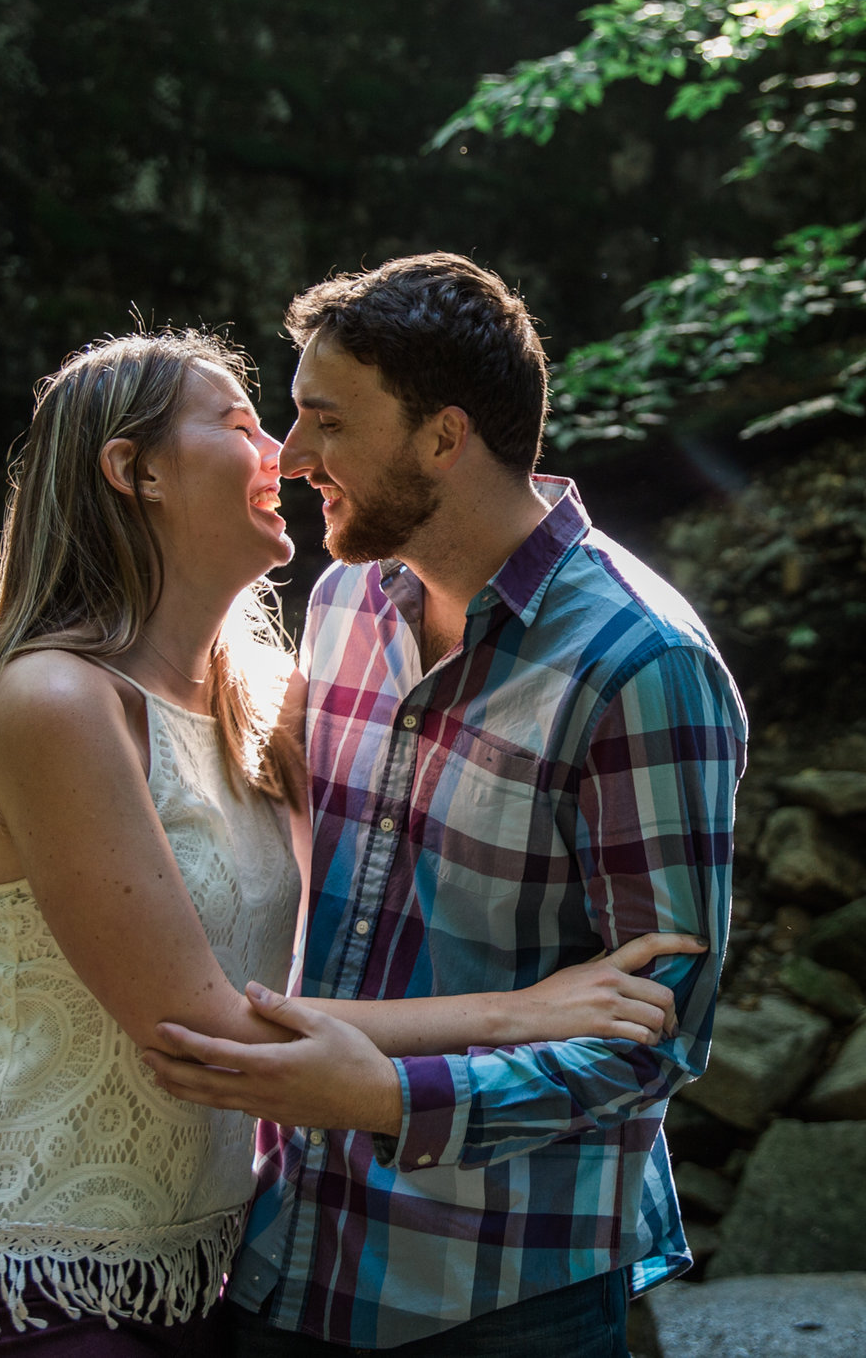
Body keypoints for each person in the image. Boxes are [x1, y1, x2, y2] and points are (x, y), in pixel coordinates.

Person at [0, 328, 699, 1355]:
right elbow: (199, 1025)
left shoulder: (256, 690)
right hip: (29, 1271)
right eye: (241, 421)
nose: (284, 454)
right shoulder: (56, 697)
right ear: (138, 469)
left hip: (209, 1268)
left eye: (295, 422)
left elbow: (336, 920)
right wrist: (521, 1011)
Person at [140, 256, 746, 1357]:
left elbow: (658, 1034)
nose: (291, 455)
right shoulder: (340, 598)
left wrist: (388, 1096)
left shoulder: (641, 661)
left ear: (441, 437)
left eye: (325, 419)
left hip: (499, 1289)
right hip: (284, 1248)